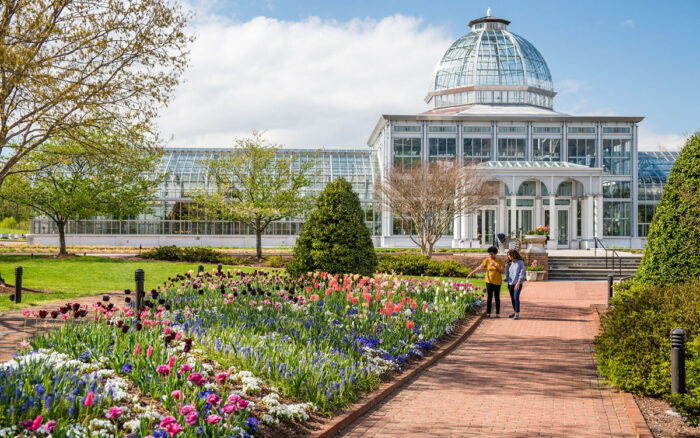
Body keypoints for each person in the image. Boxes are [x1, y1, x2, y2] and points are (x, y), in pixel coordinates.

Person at [467, 246, 505, 318]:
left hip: (497, 282)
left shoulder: (499, 260)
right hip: (489, 281)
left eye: (492, 254)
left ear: (495, 253)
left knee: (497, 297)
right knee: (489, 297)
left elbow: (502, 271)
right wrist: (471, 273)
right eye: (489, 254)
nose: (490, 255)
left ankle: (497, 313)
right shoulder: (487, 260)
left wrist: (495, 265)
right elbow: (479, 268)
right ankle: (488, 313)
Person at [506, 249, 526, 320]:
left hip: (517, 283)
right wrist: (508, 280)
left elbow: (522, 272)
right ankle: (514, 312)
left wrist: (518, 282)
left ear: (513, 255)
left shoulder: (520, 262)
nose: (508, 257)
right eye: (508, 255)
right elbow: (508, 273)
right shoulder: (509, 263)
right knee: (512, 299)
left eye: (509, 255)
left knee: (516, 298)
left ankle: (517, 314)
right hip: (510, 284)